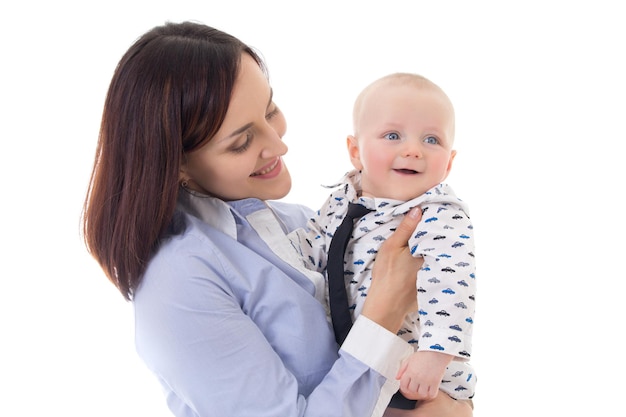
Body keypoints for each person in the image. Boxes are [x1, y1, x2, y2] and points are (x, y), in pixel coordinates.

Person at [81, 21, 473, 417]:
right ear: (178, 166)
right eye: (242, 142)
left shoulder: (300, 226)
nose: (279, 143)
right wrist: (385, 310)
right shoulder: (178, 284)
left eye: (270, 110)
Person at [289, 73, 477, 408]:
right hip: (355, 365)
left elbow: (453, 284)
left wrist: (434, 356)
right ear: (356, 151)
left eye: (432, 140)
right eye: (393, 135)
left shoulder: (438, 214)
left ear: (448, 164)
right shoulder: (342, 201)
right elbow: (312, 246)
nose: (413, 150)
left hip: (416, 369)